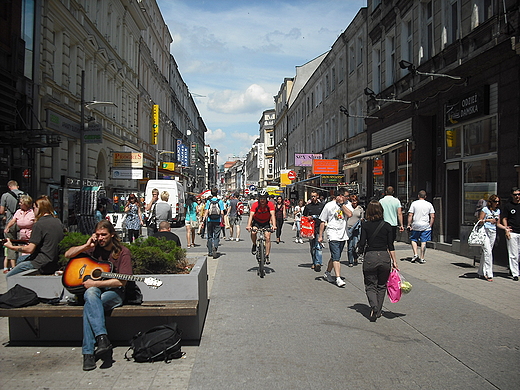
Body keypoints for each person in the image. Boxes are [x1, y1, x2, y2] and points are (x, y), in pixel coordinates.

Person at [64, 220, 132, 371]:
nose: (100, 238)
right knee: (91, 297)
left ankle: (88, 354)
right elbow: (67, 254)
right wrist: (86, 246)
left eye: (104, 235)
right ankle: (102, 339)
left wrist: (96, 284)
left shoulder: (122, 252)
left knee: (90, 303)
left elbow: (123, 281)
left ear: (112, 235)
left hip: (114, 293)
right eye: (98, 235)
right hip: (95, 294)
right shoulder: (93, 249)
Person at [358, 200, 398, 322]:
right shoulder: (387, 226)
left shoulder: (365, 225)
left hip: (371, 256)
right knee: (381, 285)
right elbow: (390, 245)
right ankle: (378, 310)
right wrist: (394, 261)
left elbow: (362, 242)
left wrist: (358, 253)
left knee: (370, 285)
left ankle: (374, 306)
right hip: (385, 257)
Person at [4, 195, 63, 277]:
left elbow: (29, 249)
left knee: (9, 276)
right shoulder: (58, 222)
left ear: (39, 208)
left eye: (34, 208)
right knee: (21, 259)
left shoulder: (39, 224)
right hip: (54, 261)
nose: (33, 210)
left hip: (41, 263)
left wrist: (11, 247)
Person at [318, 188, 353, 287]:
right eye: (346, 196)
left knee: (335, 256)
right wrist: (320, 236)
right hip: (332, 233)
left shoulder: (347, 204)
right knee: (336, 257)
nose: (348, 198)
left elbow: (350, 214)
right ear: (340, 196)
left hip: (343, 233)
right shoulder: (329, 205)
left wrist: (342, 205)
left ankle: (327, 272)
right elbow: (322, 221)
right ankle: (338, 278)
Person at [3, 194, 35, 273]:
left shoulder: (32, 212)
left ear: (26, 204)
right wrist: (7, 227)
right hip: (22, 235)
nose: (19, 204)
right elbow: (13, 220)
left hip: (31, 234)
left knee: (30, 251)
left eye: (21, 202)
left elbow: (36, 222)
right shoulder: (18, 212)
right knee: (23, 252)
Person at [478, 194, 504, 281]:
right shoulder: (485, 210)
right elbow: (480, 220)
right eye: (495, 201)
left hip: (493, 232)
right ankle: (489, 273)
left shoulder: (498, 211)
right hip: (485, 231)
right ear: (491, 202)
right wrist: (488, 220)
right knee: (488, 252)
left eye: (498, 202)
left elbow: (498, 223)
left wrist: (505, 228)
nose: (497, 203)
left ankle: (480, 272)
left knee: (486, 252)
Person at [1, 180, 26, 273]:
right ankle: (21, 263)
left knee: (10, 244)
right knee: (22, 243)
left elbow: (1, 211)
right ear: (17, 186)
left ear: (9, 187)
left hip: (10, 222)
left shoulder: (5, 196)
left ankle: (13, 266)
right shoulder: (25, 194)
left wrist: (7, 212)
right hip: (22, 222)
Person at [246, 192, 276, 264]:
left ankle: (267, 255)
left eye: (264, 198)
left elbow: (272, 215)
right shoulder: (255, 205)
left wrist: (274, 225)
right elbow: (251, 215)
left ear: (266, 199)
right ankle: (254, 244)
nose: (262, 200)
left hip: (266, 222)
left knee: (267, 237)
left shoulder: (270, 204)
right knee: (253, 232)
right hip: (257, 222)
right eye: (261, 198)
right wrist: (249, 225)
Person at [407, 190, 435, 264]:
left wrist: (409, 224)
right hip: (425, 225)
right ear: (425, 197)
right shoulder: (429, 204)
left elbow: (410, 214)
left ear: (418, 196)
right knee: (423, 241)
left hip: (416, 224)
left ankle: (415, 254)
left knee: (413, 239)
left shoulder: (414, 203)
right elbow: (432, 216)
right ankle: (422, 258)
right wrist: (430, 225)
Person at [303, 191, 325, 272]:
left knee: (318, 246)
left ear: (317, 196)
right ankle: (314, 261)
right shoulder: (308, 206)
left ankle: (318, 263)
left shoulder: (322, 206)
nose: (313, 198)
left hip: (319, 228)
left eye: (314, 196)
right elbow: (304, 216)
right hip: (310, 229)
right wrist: (307, 217)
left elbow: (324, 216)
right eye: (312, 196)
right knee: (312, 247)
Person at [502, 187, 520, 281]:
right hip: (512, 232)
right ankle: (515, 273)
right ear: (511, 195)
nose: (517, 196)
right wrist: (506, 230)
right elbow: (504, 218)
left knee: (519, 253)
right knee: (514, 254)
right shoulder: (508, 206)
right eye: (515, 194)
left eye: (518, 194)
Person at [201, 188, 225, 259]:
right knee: (216, 236)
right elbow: (222, 212)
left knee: (209, 236)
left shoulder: (209, 201)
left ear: (211, 193)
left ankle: (210, 252)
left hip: (209, 220)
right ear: (217, 193)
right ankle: (215, 247)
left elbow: (206, 211)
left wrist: (203, 220)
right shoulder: (220, 201)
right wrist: (222, 220)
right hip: (217, 221)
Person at [347, 194, 364, 267]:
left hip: (357, 229)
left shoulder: (360, 209)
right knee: (350, 246)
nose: (354, 202)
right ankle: (350, 261)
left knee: (355, 245)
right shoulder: (348, 208)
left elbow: (362, 218)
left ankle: (355, 257)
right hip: (348, 228)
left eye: (355, 200)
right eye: (352, 201)